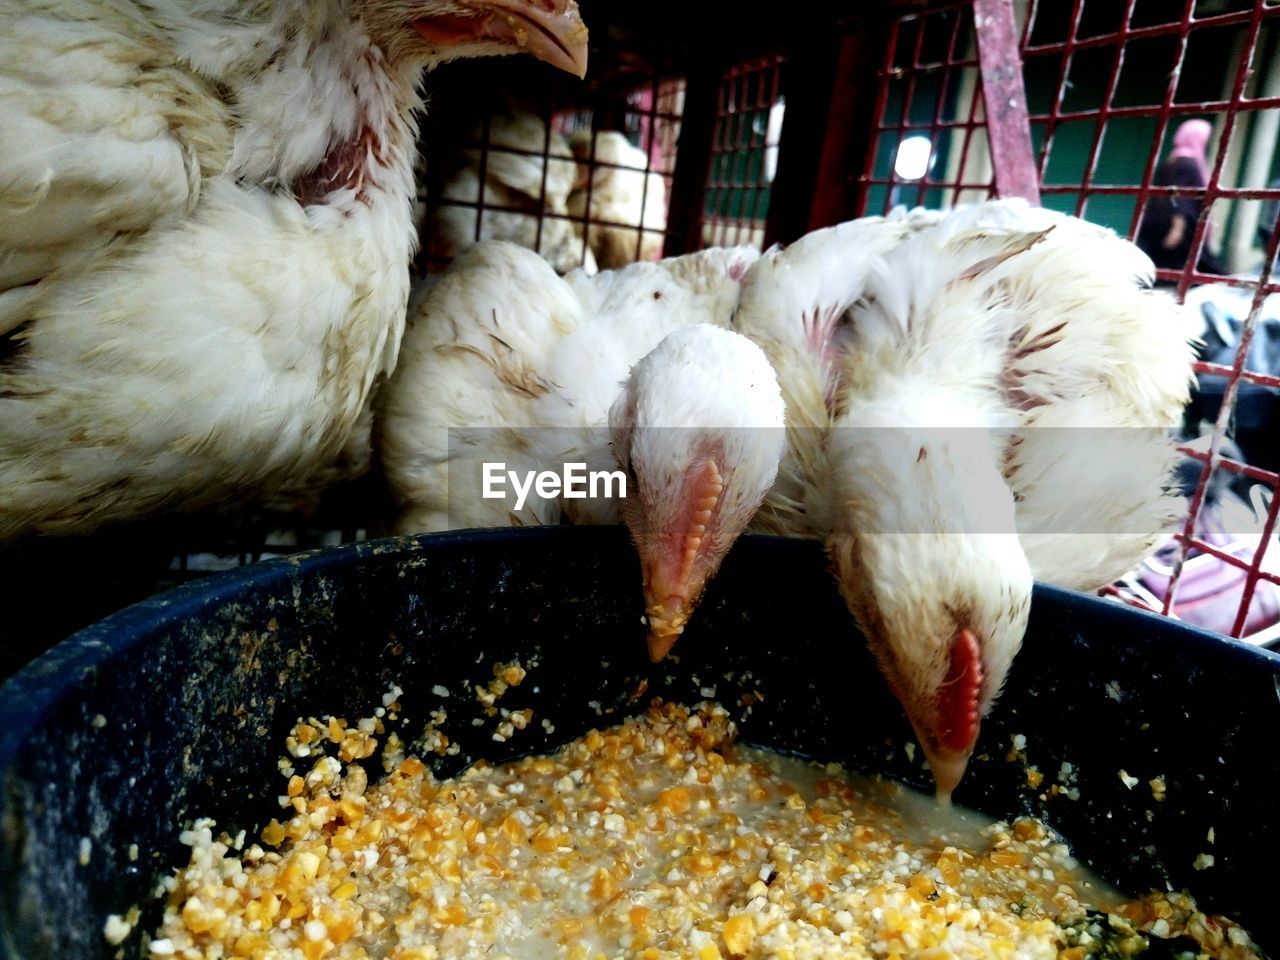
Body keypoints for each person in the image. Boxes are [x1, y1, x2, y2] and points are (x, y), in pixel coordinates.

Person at [1136, 118, 1225, 278]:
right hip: (1180, 229)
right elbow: (1181, 197)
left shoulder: (1172, 160)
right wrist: (1177, 229)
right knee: (1200, 271)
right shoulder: (1188, 163)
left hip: (1157, 223)